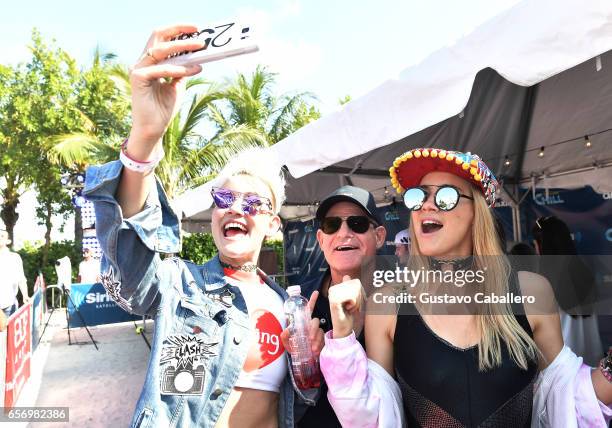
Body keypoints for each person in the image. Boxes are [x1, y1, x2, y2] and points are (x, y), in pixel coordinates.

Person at [83, 24, 323, 428]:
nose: (235, 209)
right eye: (224, 200)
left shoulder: (287, 307)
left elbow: (303, 399)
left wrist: (308, 364)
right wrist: (145, 135)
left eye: (252, 203)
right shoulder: (181, 286)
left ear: (273, 222)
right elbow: (129, 263)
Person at [319, 148, 612, 427]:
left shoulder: (531, 292)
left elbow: (568, 399)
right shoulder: (388, 304)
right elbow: (370, 418)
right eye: (418, 196)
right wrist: (343, 340)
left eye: (445, 196)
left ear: (477, 212)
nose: (427, 205)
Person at [297, 185, 386, 427]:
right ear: (320, 239)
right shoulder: (299, 304)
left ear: (379, 236)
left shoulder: (401, 302)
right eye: (331, 225)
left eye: (356, 223)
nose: (343, 233)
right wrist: (304, 360)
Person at [532, 215, 603, 366]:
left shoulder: (542, 285)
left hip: (563, 372)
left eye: (536, 245)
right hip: (591, 368)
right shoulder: (585, 274)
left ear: (542, 246)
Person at [0, 228, 30, 317]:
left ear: (8, 241)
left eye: (2, 236)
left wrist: (25, 295)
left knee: (7, 331)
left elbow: (21, 279)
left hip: (9, 305)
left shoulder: (14, 257)